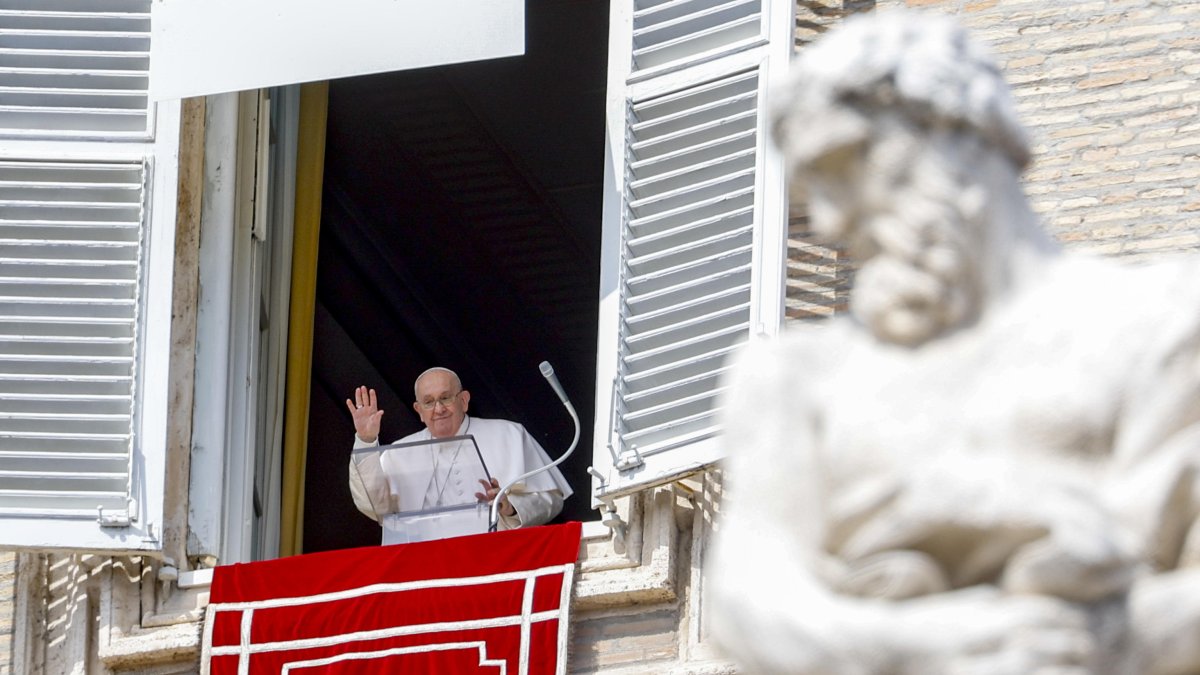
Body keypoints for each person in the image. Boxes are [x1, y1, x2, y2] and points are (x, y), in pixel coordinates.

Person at [708, 11, 1200, 675]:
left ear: (951, 127)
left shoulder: (1159, 321)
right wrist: (926, 644)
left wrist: (1099, 639)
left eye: (843, 165)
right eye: (810, 190)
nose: (828, 220)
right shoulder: (795, 376)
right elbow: (748, 597)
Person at [347, 367, 572, 537]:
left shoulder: (508, 434)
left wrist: (510, 507)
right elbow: (374, 506)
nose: (439, 409)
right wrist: (366, 441)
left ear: (463, 401)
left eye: (445, 398)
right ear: (419, 410)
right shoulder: (398, 454)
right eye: (428, 402)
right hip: (426, 563)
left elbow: (551, 498)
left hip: (495, 557)